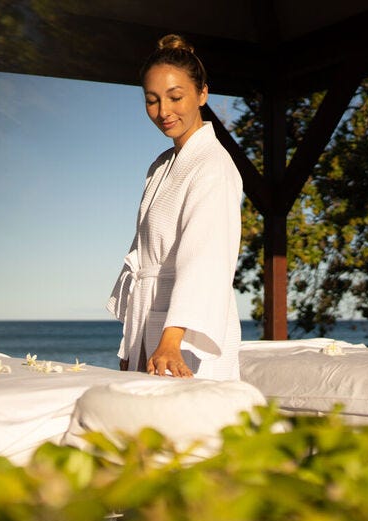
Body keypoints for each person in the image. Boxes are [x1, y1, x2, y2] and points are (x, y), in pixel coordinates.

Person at [107, 34, 243, 381]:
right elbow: (140, 252)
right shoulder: (160, 166)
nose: (163, 111)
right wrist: (131, 346)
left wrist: (171, 342)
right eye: (152, 100)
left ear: (202, 94)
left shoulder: (213, 165)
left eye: (175, 97)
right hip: (150, 320)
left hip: (184, 337)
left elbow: (206, 258)